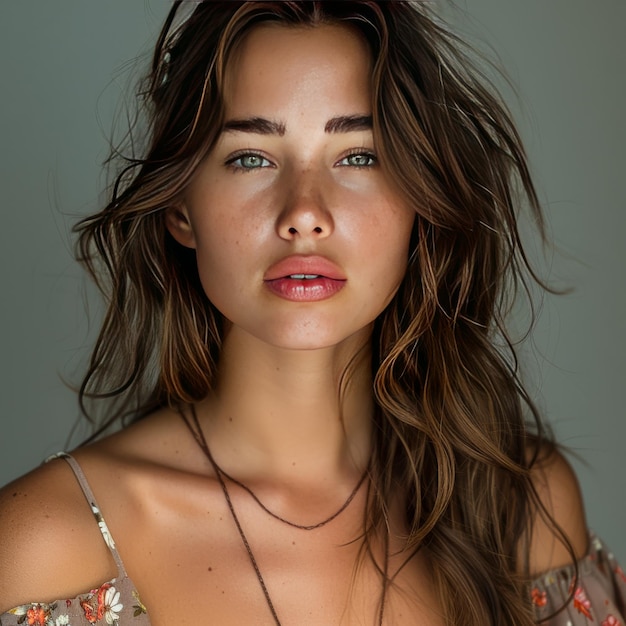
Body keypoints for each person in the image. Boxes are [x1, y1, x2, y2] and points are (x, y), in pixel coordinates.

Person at [0, 1, 623, 625]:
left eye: (358, 156)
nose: (304, 211)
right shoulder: (49, 543)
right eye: (250, 157)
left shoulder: (520, 508)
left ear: (420, 201)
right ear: (180, 210)